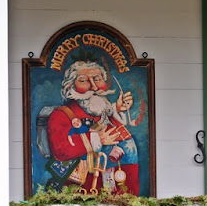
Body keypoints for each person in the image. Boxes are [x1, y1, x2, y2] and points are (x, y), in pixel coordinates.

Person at [47, 60, 139, 195]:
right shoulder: (61, 115)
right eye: (84, 81)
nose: (94, 87)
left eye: (97, 79)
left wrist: (117, 110)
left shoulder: (105, 112)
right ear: (70, 87)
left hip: (115, 190)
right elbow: (61, 150)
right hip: (82, 191)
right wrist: (96, 139)